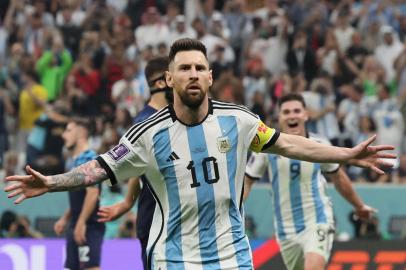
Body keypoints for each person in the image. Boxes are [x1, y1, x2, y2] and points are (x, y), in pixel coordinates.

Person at [4, 38, 395, 269]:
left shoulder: (240, 122)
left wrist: (344, 154)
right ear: (169, 78)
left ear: (210, 76)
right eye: (184, 68)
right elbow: (98, 168)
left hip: (232, 253)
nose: (193, 73)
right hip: (174, 257)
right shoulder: (146, 134)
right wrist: (52, 182)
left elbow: (291, 143)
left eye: (200, 67)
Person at [244, 93, 377, 270]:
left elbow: (338, 176)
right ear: (280, 117)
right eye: (286, 112)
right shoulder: (267, 148)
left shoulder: (320, 143)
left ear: (306, 115)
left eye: (297, 111)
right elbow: (247, 181)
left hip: (317, 221)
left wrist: (359, 206)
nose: (292, 115)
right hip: (286, 229)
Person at [97, 56, 173, 269]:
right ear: (160, 83)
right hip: (153, 221)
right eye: (174, 74)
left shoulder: (174, 117)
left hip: (175, 220)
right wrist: (127, 203)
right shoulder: (144, 123)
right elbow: (134, 168)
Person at [53, 117, 105, 270]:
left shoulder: (89, 158)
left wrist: (81, 223)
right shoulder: (74, 161)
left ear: (81, 132)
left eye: (68, 130)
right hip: (76, 223)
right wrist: (66, 218)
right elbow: (80, 197)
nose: (64, 135)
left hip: (89, 225)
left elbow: (92, 194)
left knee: (90, 267)